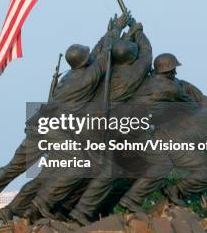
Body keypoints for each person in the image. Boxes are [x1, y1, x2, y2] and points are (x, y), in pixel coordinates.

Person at [0, 13, 128, 221]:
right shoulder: (87, 78)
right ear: (85, 62)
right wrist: (116, 31)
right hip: (54, 129)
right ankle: (43, 204)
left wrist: (108, 32)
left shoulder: (71, 76)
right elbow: (104, 58)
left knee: (12, 168)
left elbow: (96, 55)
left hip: (39, 124)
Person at [18, 19, 153, 220]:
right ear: (132, 59)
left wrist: (119, 33)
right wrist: (138, 31)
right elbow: (147, 54)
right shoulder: (131, 74)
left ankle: (55, 208)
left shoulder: (101, 70)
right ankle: (61, 208)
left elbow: (103, 53)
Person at [68, 53, 207, 224]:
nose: (175, 74)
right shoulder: (171, 88)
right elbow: (192, 107)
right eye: (174, 70)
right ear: (169, 71)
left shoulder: (145, 80)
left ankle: (86, 210)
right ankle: (129, 201)